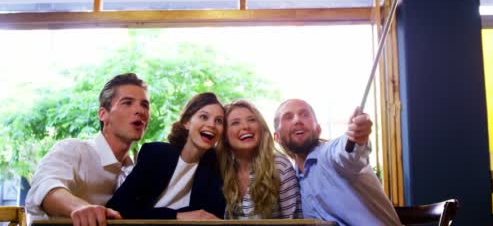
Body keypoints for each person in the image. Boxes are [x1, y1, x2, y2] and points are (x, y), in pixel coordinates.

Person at [25, 73, 150, 226]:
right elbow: (45, 187)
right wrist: (82, 208)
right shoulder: (73, 149)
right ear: (103, 114)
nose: (140, 111)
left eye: (145, 105)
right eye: (127, 103)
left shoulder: (134, 171)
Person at [273, 99, 401, 226]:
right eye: (288, 117)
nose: (297, 120)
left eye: (304, 114)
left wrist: (357, 137)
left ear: (318, 129)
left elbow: (348, 152)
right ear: (277, 137)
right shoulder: (293, 182)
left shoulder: (330, 154)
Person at [106, 92, 225, 220]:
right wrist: (177, 215)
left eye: (219, 121)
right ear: (187, 123)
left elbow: (211, 216)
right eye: (204, 117)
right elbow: (117, 207)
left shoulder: (215, 165)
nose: (212, 125)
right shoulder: (156, 154)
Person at [217, 99, 301, 219]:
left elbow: (294, 220)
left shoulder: (279, 166)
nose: (246, 126)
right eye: (235, 123)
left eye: (252, 120)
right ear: (224, 135)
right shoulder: (222, 169)